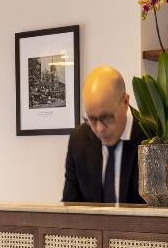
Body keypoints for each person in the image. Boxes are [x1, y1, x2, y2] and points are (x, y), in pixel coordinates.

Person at [62, 66, 145, 204]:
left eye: (106, 118)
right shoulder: (79, 140)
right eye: (92, 119)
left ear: (125, 101)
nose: (99, 129)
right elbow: (71, 206)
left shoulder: (151, 137)